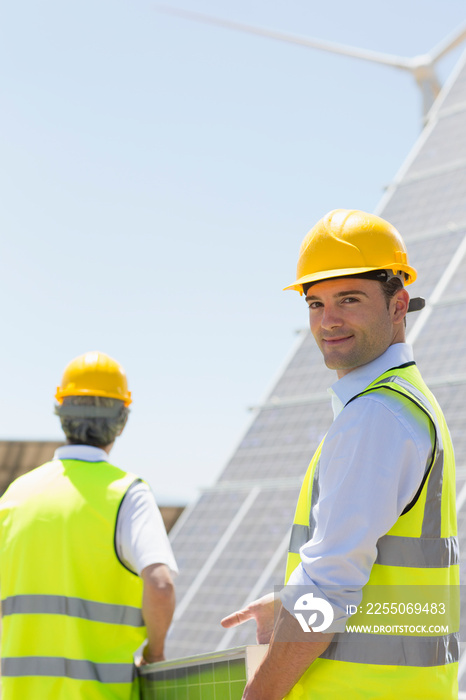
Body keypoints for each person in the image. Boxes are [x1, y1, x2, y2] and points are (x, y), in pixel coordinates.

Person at [221, 209, 458, 699]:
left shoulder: (376, 417)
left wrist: (259, 694)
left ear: (398, 306)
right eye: (315, 303)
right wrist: (289, 603)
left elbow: (328, 589)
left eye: (349, 299)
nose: (328, 321)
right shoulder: (405, 403)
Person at [0, 351, 178, 699]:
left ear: (61, 414)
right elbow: (160, 586)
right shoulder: (128, 494)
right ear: (122, 420)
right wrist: (154, 653)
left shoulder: (14, 496)